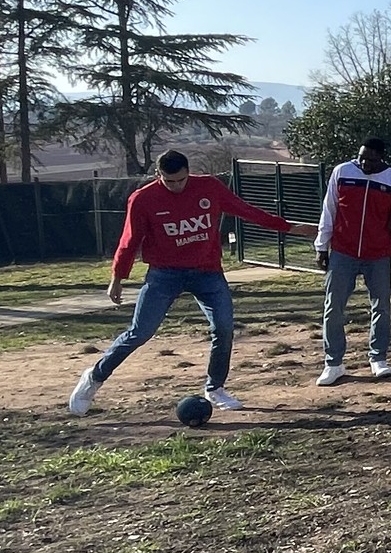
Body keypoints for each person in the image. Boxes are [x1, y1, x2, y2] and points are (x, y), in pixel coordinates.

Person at [67, 150, 314, 416]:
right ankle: (94, 377)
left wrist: (287, 227)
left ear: (189, 172)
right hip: (164, 274)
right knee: (140, 332)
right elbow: (129, 241)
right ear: (158, 175)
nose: (176, 186)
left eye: (181, 180)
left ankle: (215, 387)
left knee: (224, 328)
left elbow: (246, 210)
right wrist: (117, 278)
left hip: (207, 272)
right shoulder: (143, 199)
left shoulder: (209, 187)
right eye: (169, 181)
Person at [314, 137, 391, 385]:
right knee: (333, 306)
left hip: (377, 254)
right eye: (361, 158)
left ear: (382, 158)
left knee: (381, 306)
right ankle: (333, 363)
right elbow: (329, 209)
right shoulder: (342, 172)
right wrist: (321, 245)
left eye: (371, 159)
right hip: (343, 251)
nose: (364, 163)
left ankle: (378, 358)